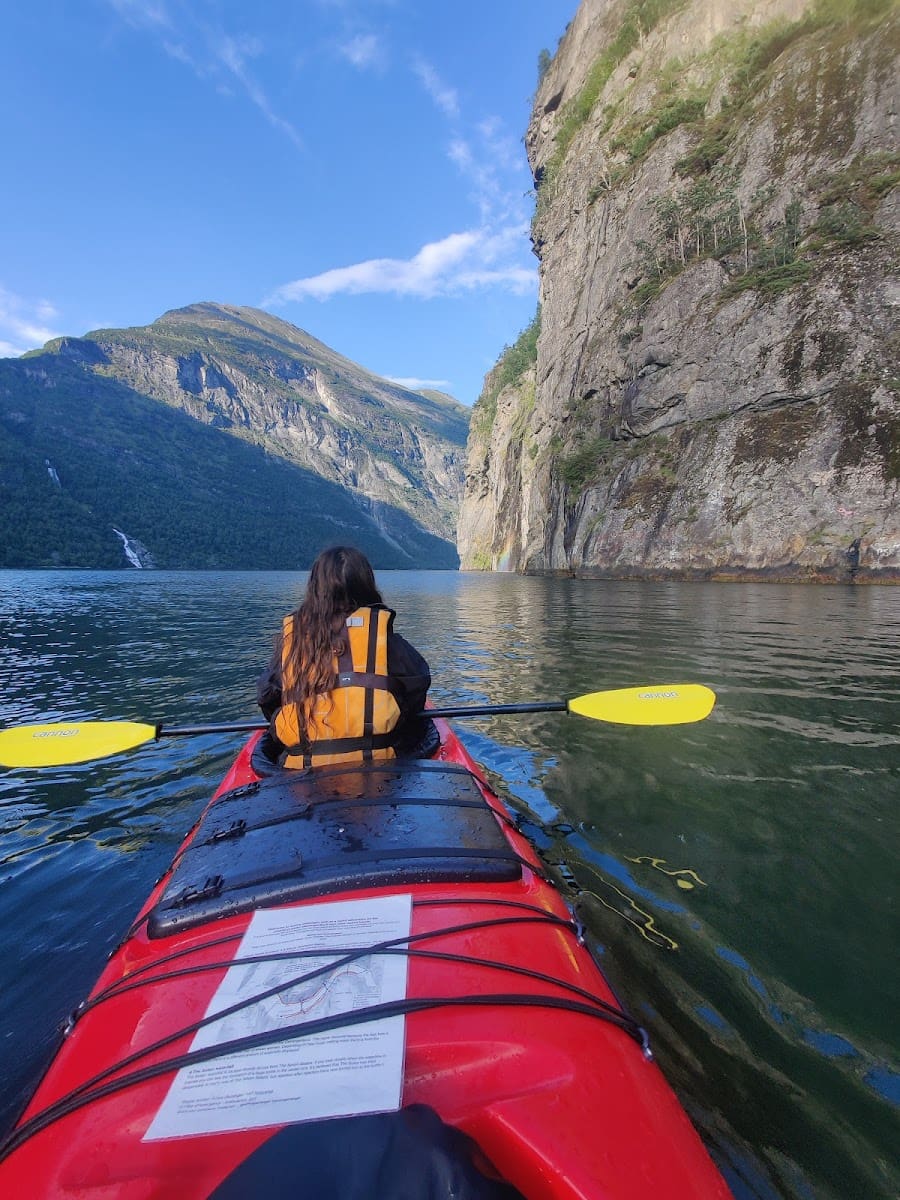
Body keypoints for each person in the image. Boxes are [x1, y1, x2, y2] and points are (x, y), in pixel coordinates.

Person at [257, 546, 436, 767]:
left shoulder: (293, 643)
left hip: (301, 774)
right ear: (366, 586)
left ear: (315, 589)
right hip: (380, 769)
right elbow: (418, 688)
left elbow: (267, 698)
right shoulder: (385, 641)